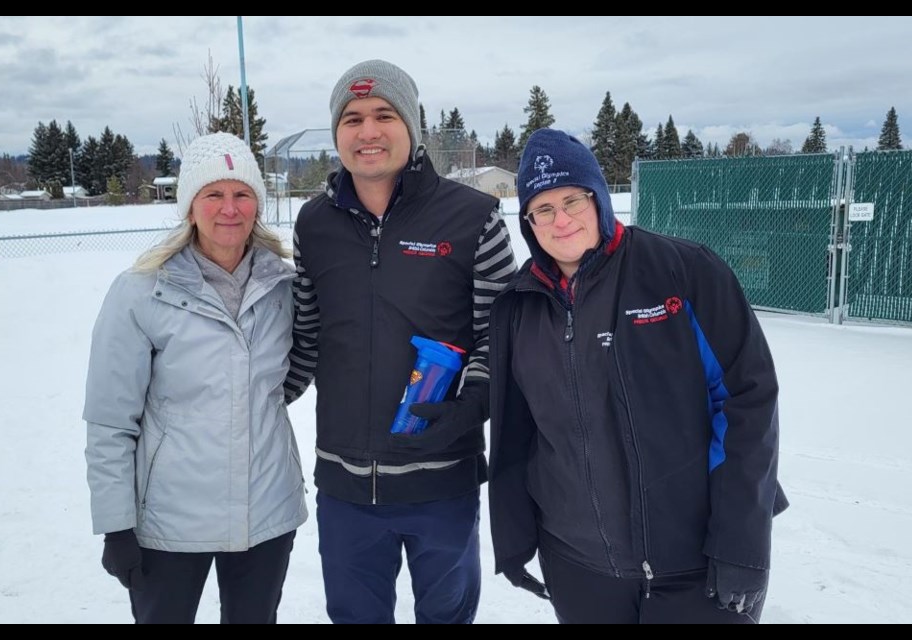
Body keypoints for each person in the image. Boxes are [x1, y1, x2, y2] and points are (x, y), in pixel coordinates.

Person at [487, 128, 789, 624]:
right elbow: (520, 434)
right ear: (527, 221)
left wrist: (741, 541)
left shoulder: (683, 271)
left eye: (573, 200)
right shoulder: (518, 307)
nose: (561, 220)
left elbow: (747, 403)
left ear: (599, 199)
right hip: (578, 568)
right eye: (543, 209)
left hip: (692, 563)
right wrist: (518, 535)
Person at [282, 59, 517, 624]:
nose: (368, 132)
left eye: (384, 115)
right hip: (344, 486)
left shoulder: (474, 219)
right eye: (353, 118)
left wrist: (472, 407)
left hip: (442, 480)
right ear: (337, 132)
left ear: (412, 125)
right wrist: (252, 400)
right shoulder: (313, 225)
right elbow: (306, 338)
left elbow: (504, 335)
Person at [83, 132, 308, 624]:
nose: (230, 208)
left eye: (242, 194)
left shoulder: (285, 287)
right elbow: (109, 421)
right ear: (189, 207)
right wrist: (116, 525)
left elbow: (289, 379)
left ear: (258, 205)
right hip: (168, 524)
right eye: (214, 194)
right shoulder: (141, 293)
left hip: (265, 515)